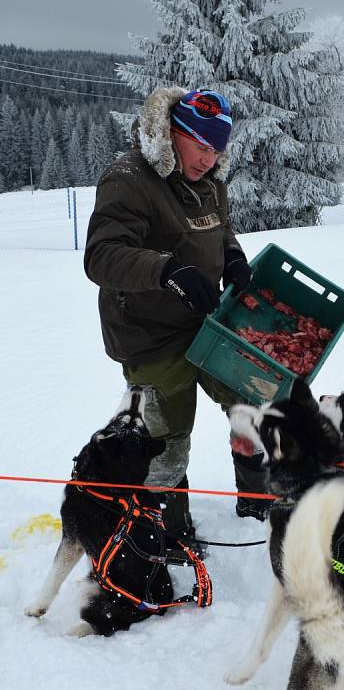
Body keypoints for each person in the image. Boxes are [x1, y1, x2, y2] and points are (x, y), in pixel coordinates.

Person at [84, 86, 269, 535]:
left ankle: (259, 509)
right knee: (165, 441)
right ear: (172, 132)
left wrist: (233, 257)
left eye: (217, 149)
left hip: (207, 324)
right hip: (149, 335)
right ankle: (165, 532)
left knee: (251, 408)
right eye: (201, 145)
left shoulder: (208, 180)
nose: (209, 159)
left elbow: (220, 229)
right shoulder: (128, 178)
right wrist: (167, 270)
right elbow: (102, 256)